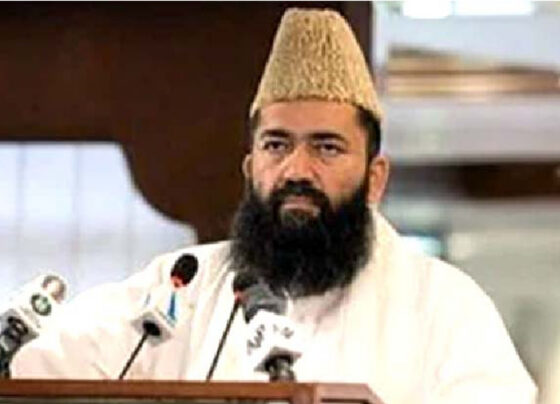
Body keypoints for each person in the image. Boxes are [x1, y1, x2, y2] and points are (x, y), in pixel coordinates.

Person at [11, 8, 536, 404]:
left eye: (326, 147)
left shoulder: (445, 307)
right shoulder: (182, 287)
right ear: (250, 168)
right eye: (277, 145)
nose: (296, 170)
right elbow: (38, 366)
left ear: (375, 179)